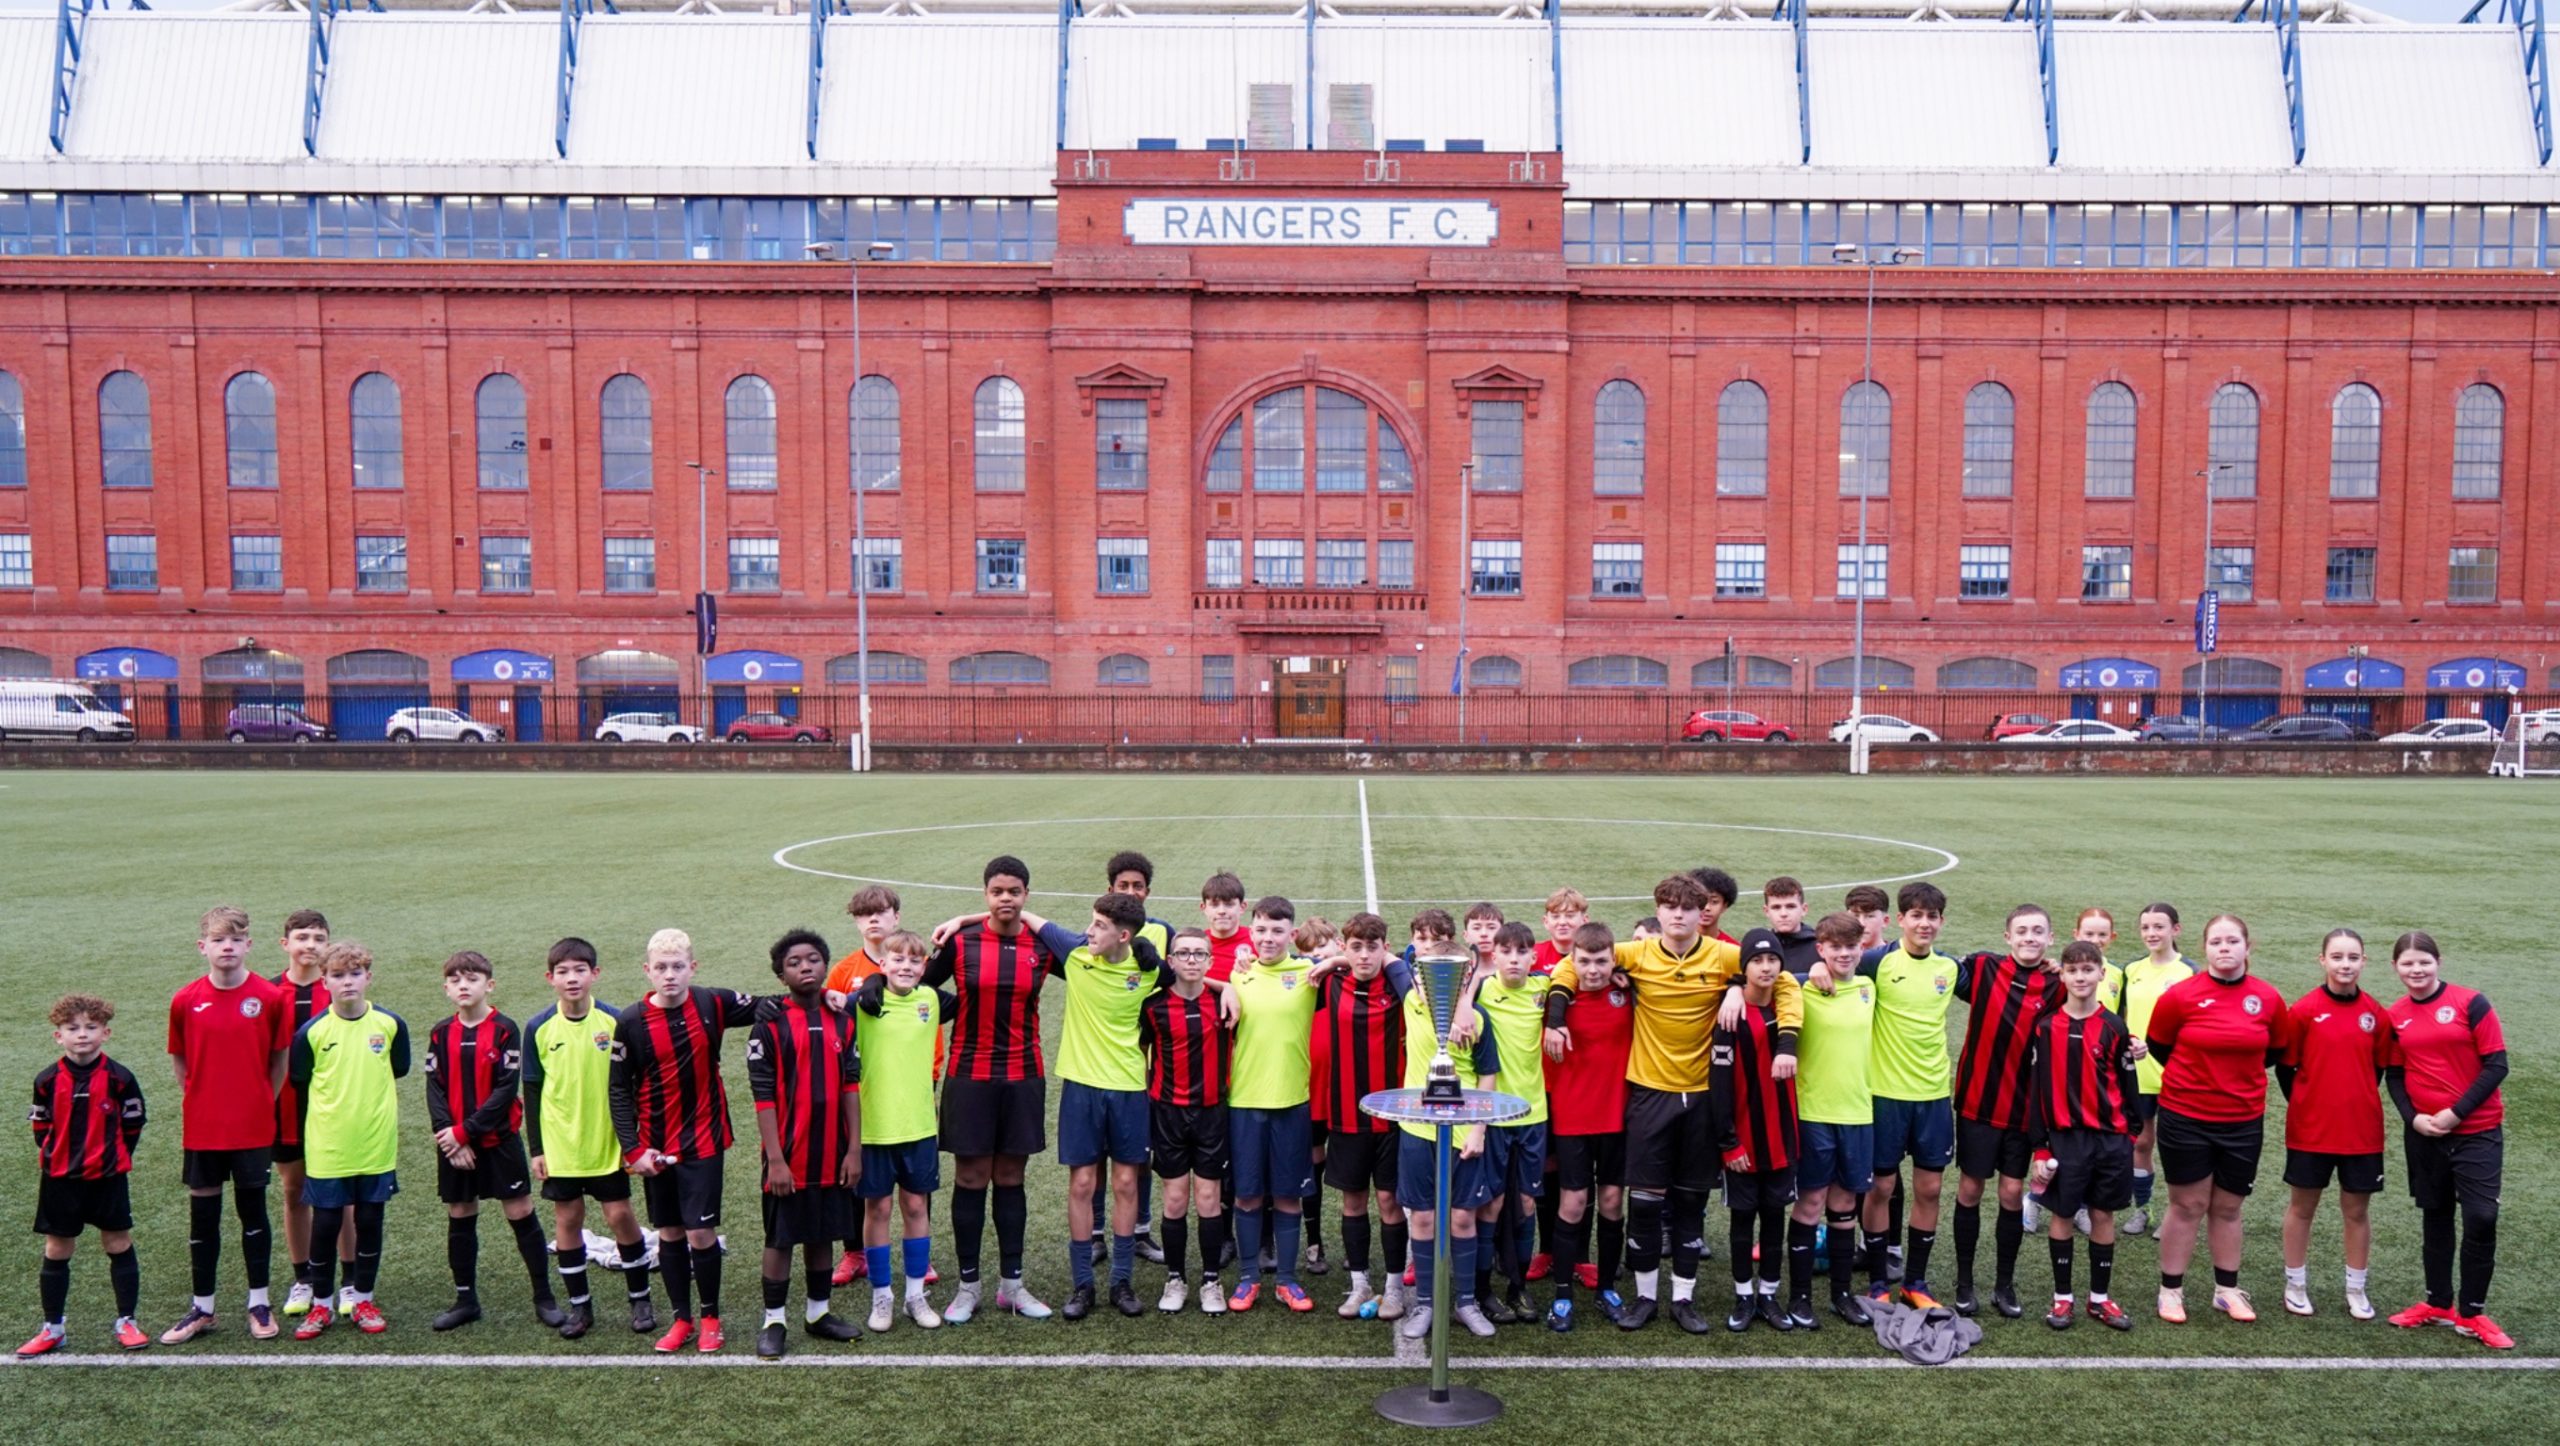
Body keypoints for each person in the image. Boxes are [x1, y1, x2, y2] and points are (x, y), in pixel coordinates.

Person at [1548, 873, 1797, 1331]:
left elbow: (1781, 981)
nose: (1678, 915)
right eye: (1670, 907)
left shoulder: (1724, 955)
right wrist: (1556, 1016)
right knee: (1643, 1205)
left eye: (1688, 908)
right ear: (1658, 911)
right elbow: (1571, 964)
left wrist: (1739, 988)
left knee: (1688, 1205)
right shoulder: (1636, 952)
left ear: (1701, 914)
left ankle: (1683, 1299)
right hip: (1648, 1095)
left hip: (1702, 1098)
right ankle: (1644, 1298)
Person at [924, 856, 1072, 1322]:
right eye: (997, 891)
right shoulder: (961, 942)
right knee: (970, 1179)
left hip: (1023, 1075)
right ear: (985, 893)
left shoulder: (1042, 946)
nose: (1005, 898)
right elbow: (916, 985)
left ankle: (1012, 1285)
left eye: (1014, 891)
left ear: (1026, 895)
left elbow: (1090, 953)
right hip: (969, 1076)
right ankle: (968, 1287)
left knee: (1011, 1178)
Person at [611, 927, 762, 1352]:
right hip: (655, 1146)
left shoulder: (713, 1001)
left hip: (705, 1140)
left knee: (700, 1233)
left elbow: (772, 1005)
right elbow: (619, 1090)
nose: (670, 975)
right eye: (661, 968)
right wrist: (633, 1149)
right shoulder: (631, 1021)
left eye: (678, 966)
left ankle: (711, 1317)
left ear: (692, 967)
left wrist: (821, 997)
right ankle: (682, 1320)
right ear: (647, 971)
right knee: (670, 1234)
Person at [2145, 912, 2294, 1325]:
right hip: (2186, 1117)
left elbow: (2273, 1052)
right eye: (2216, 942)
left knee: (2228, 1206)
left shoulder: (2267, 998)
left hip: (2243, 1120)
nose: (2224, 948)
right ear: (2204, 948)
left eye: (2232, 941)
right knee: (2188, 1204)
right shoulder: (2180, 996)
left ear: (2248, 947)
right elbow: (2160, 1046)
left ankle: (2227, 1290)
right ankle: (2170, 1291)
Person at [1030, 893, 1173, 1320]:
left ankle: (1121, 1282)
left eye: (1098, 925)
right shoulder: (1075, 955)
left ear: (1123, 935)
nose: (1088, 931)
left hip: (1129, 1090)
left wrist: (1229, 993)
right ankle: (1082, 1285)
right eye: (1091, 922)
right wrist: (965, 916)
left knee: (1127, 1185)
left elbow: (1193, 978)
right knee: (1081, 1184)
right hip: (1081, 1088)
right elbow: (1024, 916)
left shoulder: (1148, 972)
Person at [1827, 881, 1960, 1307]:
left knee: (1930, 1189)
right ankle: (1880, 1281)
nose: (1925, 923)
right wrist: (1816, 970)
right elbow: (1833, 965)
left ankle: (1916, 1283)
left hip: (1934, 1096)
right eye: (1916, 915)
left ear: (1940, 921)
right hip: (1884, 1095)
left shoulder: (1952, 969)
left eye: (1932, 916)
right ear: (1899, 920)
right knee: (1881, 1188)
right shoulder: (1876, 962)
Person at [163, 905, 288, 1344]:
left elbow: (279, 1061)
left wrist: (256, 1103)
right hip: (203, 1128)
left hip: (252, 1128)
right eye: (219, 940)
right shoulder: (185, 1000)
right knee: (204, 1218)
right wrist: (202, 1101)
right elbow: (180, 1061)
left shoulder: (270, 998)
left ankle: (259, 1302)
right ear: (204, 948)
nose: (228, 946)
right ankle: (203, 1308)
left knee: (253, 1214)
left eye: (236, 939)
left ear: (249, 945)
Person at [2382, 931, 2510, 1349]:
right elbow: (2396, 1075)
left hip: (2477, 1131)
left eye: (2424, 962)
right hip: (2425, 1135)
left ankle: (2472, 1313)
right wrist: (2413, 1118)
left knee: (2480, 1218)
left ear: (2438, 962)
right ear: (2395, 968)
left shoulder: (2471, 1003)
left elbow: (2496, 1065)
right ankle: (2439, 1304)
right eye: (2408, 964)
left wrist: (2456, 1113)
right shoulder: (2395, 1015)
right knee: (2435, 1217)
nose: (2416, 970)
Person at [523, 936, 652, 1340]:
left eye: (580, 970)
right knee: (568, 1218)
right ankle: (580, 1308)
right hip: (562, 1144)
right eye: (563, 972)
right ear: (550, 978)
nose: (572, 978)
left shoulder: (615, 1021)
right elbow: (531, 1089)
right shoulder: (539, 1027)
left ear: (595, 974)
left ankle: (641, 1298)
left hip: (607, 1141)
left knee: (619, 1216)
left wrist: (633, 1142)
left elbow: (633, 1085)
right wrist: (538, 1149)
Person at [423, 950, 558, 1332]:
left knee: (519, 1212)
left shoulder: (504, 1029)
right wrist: (450, 1138)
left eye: (473, 979)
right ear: (446, 988)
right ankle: (466, 1300)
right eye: (456, 980)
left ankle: (544, 1298)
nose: (464, 986)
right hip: (454, 1144)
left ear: (489, 985)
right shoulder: (440, 1032)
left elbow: (504, 1091)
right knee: (461, 1213)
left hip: (498, 1141)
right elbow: (434, 1088)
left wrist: (464, 1133)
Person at [747, 929, 865, 1359]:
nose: (805, 967)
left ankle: (818, 1314)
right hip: (789, 1156)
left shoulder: (843, 1020)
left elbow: (851, 1086)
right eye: (794, 962)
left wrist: (854, 1150)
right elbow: (762, 1097)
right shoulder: (770, 1024)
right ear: (782, 976)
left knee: (822, 1234)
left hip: (833, 1153)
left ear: (825, 965)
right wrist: (775, 1160)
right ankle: (773, 1320)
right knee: (780, 1239)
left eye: (813, 959)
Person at [1947, 904, 2065, 1320]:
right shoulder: (1981, 968)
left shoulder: (2058, 984)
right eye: (2021, 931)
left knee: (2013, 1193)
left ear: (2050, 939)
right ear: (2007, 937)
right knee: (1970, 1190)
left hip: (2023, 1109)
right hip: (1978, 1105)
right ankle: (1964, 1283)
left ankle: (2003, 1284)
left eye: (2038, 931)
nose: (2029, 938)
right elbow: (1936, 968)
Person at [288, 940, 410, 1340]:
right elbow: (301, 1081)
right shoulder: (311, 1033)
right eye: (338, 976)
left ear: (368, 978)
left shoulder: (391, 1025)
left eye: (355, 974)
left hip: (376, 1145)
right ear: (324, 982)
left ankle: (362, 1298)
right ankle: (321, 1305)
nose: (347, 982)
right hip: (329, 1148)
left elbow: (400, 1067)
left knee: (370, 1220)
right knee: (326, 1224)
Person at [2022, 940, 2141, 1333]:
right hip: (2064, 1140)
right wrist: (2040, 1146)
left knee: (2103, 1213)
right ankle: (2062, 1299)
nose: (2080, 977)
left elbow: (2128, 1083)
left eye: (2088, 970)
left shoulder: (2114, 1027)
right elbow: (2037, 1090)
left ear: (2101, 974)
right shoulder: (2046, 1027)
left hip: (2110, 1140)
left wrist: (2130, 1134)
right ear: (2065, 975)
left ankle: (2099, 1299)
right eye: (2073, 970)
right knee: (2062, 1214)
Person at [19, 995, 147, 1357]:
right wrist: (55, 1156)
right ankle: (53, 1328)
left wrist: (112, 1157)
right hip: (61, 1180)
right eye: (72, 1028)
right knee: (57, 1248)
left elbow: (133, 1124)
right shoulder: (46, 1080)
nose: (82, 1035)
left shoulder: (120, 1078)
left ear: (105, 1033)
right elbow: (40, 1125)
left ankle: (127, 1321)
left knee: (118, 1243)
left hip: (108, 1178)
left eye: (90, 1027)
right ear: (57, 1036)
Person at [2278, 927, 2396, 1320]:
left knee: (2357, 1212)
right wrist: (2312, 1103)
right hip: (2310, 1130)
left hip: (2361, 1133)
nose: (2345, 964)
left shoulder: (2375, 1014)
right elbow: (2287, 1069)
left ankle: (2356, 1288)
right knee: (2302, 1207)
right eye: (2338, 956)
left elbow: (2378, 1069)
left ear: (2364, 962)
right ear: (2323, 960)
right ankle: (2295, 1283)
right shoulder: (2305, 1010)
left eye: (2353, 957)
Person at [1391, 932, 1498, 1342]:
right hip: (1417, 1130)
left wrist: (1478, 1128)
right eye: (1428, 974)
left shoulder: (1478, 1019)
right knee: (1421, 1217)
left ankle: (1466, 1301)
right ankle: (1426, 1303)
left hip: (1462, 1133)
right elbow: (1396, 958)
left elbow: (1488, 1073)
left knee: (1461, 1217)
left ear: (1465, 977)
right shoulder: (1414, 1001)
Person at [1225, 896, 1324, 1313]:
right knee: (1247, 1196)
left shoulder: (1307, 973)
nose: (1268, 938)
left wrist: (1327, 959)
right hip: (1245, 1102)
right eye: (1261, 930)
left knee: (1287, 1197)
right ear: (1251, 930)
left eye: (1278, 930)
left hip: (1291, 1102)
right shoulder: (1238, 973)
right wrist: (1228, 981)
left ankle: (1286, 1279)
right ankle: (1249, 1278)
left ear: (1292, 934)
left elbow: (1342, 959)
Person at [852, 929, 951, 1333]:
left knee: (915, 1208)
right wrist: (869, 986)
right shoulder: (863, 1004)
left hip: (919, 1126)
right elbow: (827, 1002)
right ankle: (882, 1296)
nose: (906, 966)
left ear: (924, 967)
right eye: (897, 960)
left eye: (914, 960)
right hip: (874, 1128)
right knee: (877, 1210)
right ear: (883, 964)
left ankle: (914, 1295)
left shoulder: (930, 1000)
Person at [1540, 921, 1633, 1330]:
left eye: (1600, 961)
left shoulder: (1629, 993)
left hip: (1617, 1114)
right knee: (1573, 1203)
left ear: (1614, 959)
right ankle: (1562, 1294)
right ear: (1571, 961)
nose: (1592, 969)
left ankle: (1607, 1288)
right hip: (1572, 1116)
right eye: (1583, 961)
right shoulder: (1554, 998)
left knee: (1612, 1202)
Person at [1787, 912, 1875, 1329]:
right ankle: (1800, 1297)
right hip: (1813, 1113)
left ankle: (1842, 1294)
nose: (1843, 953)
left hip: (1858, 1113)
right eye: (1833, 947)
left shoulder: (1869, 987)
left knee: (1844, 1207)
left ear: (1862, 948)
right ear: (1820, 948)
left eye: (1850, 946)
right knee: (1811, 1204)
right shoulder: (1799, 986)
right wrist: (1813, 970)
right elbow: (1751, 972)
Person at [1318, 913, 1407, 1321]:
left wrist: (1390, 962)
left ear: (1385, 947)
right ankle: (1359, 1285)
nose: (1365, 954)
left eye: (1374, 946)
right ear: (1344, 946)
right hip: (1346, 1115)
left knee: (1390, 1201)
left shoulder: (1399, 985)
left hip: (1392, 1118)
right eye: (1356, 947)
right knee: (1353, 1202)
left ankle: (1393, 1290)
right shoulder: (1329, 984)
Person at [1711, 931, 1800, 1335]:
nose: (1766, 968)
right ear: (1743, 967)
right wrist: (1729, 1142)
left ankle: (1769, 1294)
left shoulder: (1788, 1012)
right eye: (1757, 961)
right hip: (1743, 1141)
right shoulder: (1729, 1015)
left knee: (1775, 1218)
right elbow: (1719, 1084)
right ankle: (1744, 1295)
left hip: (1782, 1137)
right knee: (1743, 1220)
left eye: (1773, 961)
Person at [1141, 927, 1233, 1313]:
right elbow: (1139, 1052)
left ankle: (1211, 1281)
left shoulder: (1227, 1003)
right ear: (1171, 960)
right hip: (1168, 1113)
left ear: (1210, 961)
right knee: (1176, 1198)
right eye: (1184, 953)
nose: (1192, 960)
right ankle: (1175, 1278)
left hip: (1213, 1112)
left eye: (1199, 954)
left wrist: (1228, 987)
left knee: (1210, 1198)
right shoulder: (1154, 1006)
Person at [1460, 922, 1548, 1324]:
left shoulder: (1544, 991)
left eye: (1522, 952)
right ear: (1494, 955)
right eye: (1507, 951)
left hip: (1534, 1114)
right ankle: (1482, 1290)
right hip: (1492, 1115)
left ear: (1533, 957)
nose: (1514, 959)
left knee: (1527, 1201)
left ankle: (1518, 1287)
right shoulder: (1478, 990)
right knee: (1491, 1203)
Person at [270, 908, 350, 1319]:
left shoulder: (338, 990)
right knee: (294, 1191)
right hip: (283, 1112)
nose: (311, 945)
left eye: (319, 938)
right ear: (286, 944)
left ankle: (351, 1283)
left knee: (342, 1197)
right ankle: (304, 1277)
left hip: (334, 1112)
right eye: (302, 937)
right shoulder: (266, 993)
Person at [1106, 851, 1175, 1265]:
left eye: (1138, 886)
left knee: (1141, 1153)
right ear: (1110, 888)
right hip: (1110, 1056)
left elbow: (1178, 974)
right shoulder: (1099, 929)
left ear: (1148, 891)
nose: (1131, 892)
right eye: (1123, 885)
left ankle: (1141, 1232)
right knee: (1097, 1158)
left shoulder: (1163, 930)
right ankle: (1097, 1232)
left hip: (1154, 1056)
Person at [2119, 903, 2194, 1237]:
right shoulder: (2131, 969)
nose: (2152, 933)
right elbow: (2119, 1017)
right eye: (2146, 927)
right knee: (2141, 1143)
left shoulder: (2188, 972)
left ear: (2175, 930)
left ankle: (2177, 1215)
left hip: (2178, 1075)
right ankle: (2144, 1210)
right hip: (2139, 1073)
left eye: (2159, 927)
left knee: (2177, 1148)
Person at [1296, 917, 1339, 1283]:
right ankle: (1312, 1241)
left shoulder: (1347, 979)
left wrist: (1333, 962)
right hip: (1305, 1089)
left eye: (1324, 947)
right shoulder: (1299, 982)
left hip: (1341, 1090)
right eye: (1309, 951)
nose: (1317, 957)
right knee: (1308, 1163)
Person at [1760, 878, 1820, 979]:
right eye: (1776, 907)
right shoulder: (1758, 947)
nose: (1783, 914)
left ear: (1804, 909)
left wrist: (1823, 966)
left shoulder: (1821, 945)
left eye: (1790, 906)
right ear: (1766, 911)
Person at [1199, 872, 1252, 981]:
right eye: (1214, 905)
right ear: (1203, 908)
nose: (1221, 911)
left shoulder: (1258, 941)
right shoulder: (1195, 943)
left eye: (1229, 904)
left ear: (1242, 907)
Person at [1535, 889, 1589, 974]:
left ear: (1584, 920)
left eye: (1570, 916)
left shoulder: (1598, 955)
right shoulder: (1533, 954)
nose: (1562, 922)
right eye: (1555, 916)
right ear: (1546, 921)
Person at [1844, 886, 1892, 954]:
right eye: (1855, 916)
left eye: (1870, 916)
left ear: (1885, 921)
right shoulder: (1834, 958)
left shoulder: (1895, 959)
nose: (1861, 923)